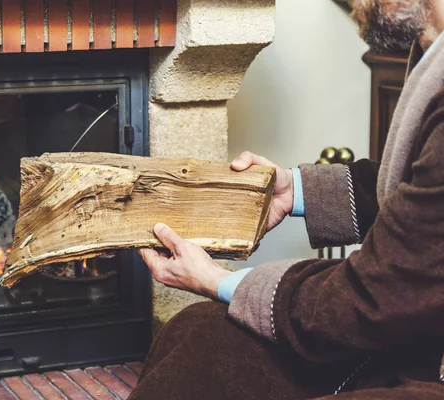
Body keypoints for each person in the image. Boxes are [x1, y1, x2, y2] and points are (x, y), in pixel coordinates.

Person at [127, 0, 444, 399]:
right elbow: (417, 197)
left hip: (429, 362)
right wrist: (296, 188)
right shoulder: (434, 58)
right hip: (412, 332)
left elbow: (375, 297)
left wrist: (222, 283)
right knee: (198, 334)